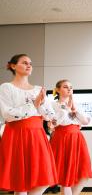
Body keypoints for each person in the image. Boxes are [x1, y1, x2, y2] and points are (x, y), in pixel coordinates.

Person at [0, 54, 57, 195]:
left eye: (30, 63)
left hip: (37, 134)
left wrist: (40, 105)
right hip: (16, 133)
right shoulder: (6, 87)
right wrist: (33, 105)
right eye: (24, 62)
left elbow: (49, 115)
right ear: (13, 66)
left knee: (43, 178)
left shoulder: (38, 89)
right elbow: (7, 114)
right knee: (20, 181)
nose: (29, 65)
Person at [49, 79, 92, 195]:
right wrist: (65, 109)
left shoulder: (77, 105)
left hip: (77, 138)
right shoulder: (52, 105)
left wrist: (74, 109)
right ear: (57, 90)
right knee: (64, 178)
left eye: (71, 87)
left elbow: (85, 121)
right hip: (62, 138)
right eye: (65, 86)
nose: (69, 89)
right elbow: (53, 123)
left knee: (84, 174)